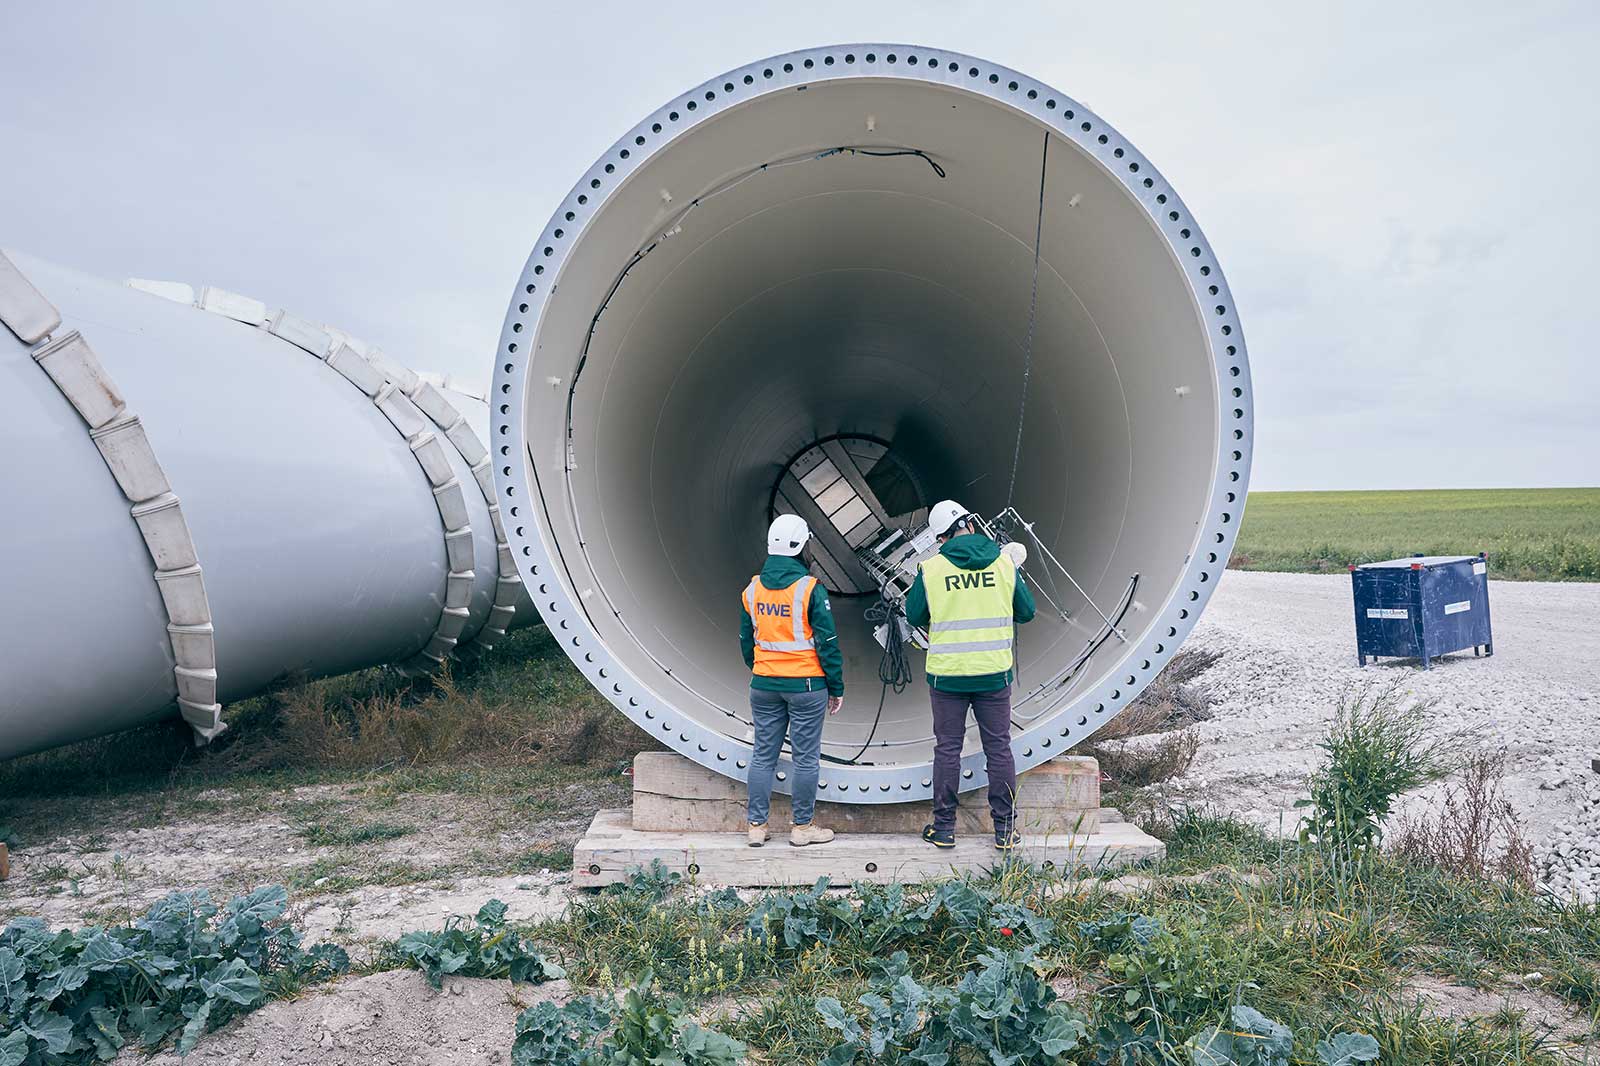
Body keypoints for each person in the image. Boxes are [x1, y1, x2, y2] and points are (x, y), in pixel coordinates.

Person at [904, 499, 1035, 850]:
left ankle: (944, 828)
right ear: (971, 526)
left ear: (940, 538)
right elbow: (1027, 612)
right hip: (993, 674)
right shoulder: (1004, 563)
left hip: (948, 678)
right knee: (999, 749)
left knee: (948, 750)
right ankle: (1005, 830)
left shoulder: (931, 569)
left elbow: (913, 615)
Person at [740, 513, 844, 848]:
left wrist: (762, 669)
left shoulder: (752, 589)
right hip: (806, 687)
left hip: (765, 684)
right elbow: (827, 643)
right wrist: (836, 686)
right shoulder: (809, 589)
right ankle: (801, 828)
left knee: (763, 755)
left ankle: (756, 826)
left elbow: (746, 640)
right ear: (801, 547)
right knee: (805, 758)